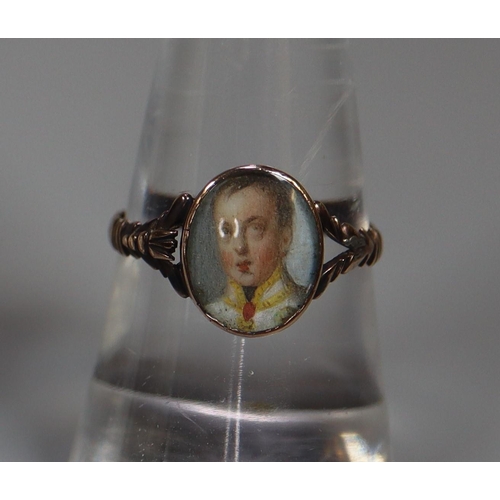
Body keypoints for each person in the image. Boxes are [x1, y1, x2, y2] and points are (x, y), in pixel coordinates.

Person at [206, 174, 307, 333]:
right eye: (226, 231)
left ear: (285, 238)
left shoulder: (298, 307)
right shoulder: (212, 312)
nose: (240, 247)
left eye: (255, 228)